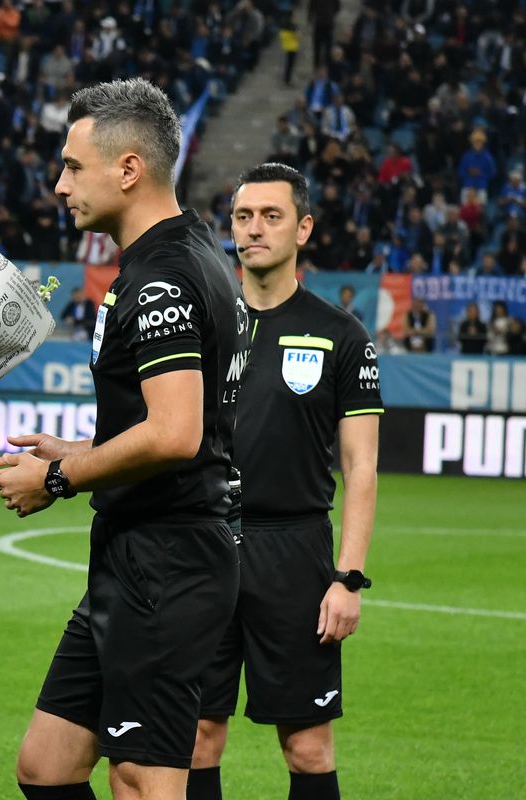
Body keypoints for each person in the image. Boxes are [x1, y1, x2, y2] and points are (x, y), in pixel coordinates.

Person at [0, 79, 248, 800]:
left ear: (127, 169)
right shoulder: (183, 254)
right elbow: (168, 421)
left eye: (73, 166)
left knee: (141, 777)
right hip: (143, 553)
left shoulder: (162, 277)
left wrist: (61, 479)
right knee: (47, 765)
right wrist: (74, 454)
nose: (59, 183)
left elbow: (175, 433)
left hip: (167, 562)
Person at [189, 163, 383, 800]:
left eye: (271, 216)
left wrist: (347, 577)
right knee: (195, 738)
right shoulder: (203, 325)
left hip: (294, 553)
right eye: (243, 217)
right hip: (203, 546)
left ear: (303, 228)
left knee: (306, 748)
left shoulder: (342, 335)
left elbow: (360, 467)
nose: (254, 229)